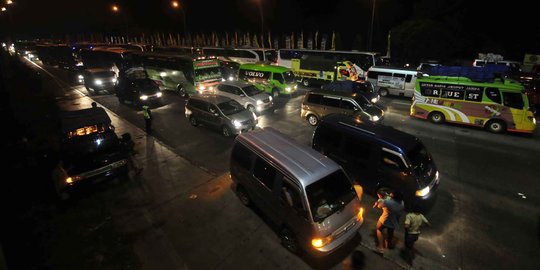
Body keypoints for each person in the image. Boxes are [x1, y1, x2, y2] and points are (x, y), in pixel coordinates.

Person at [373, 188, 405, 254]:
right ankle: (388, 246)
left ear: (393, 196)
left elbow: (379, 206)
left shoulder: (388, 202)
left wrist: (380, 199)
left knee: (378, 230)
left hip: (384, 220)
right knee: (390, 234)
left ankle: (381, 247)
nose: (390, 193)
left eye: (391, 193)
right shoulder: (402, 203)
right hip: (394, 222)